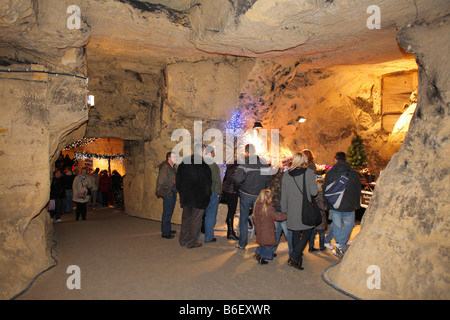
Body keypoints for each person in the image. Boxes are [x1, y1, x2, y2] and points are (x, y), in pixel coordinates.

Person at [281, 152, 318, 270]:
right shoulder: (309, 173)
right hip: (305, 208)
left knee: (296, 233)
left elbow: (284, 195)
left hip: (291, 208)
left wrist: (284, 209)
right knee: (307, 231)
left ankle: (297, 260)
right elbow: (314, 192)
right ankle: (294, 256)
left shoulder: (286, 175)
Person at [233, 144, 271, 250]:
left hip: (246, 195)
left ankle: (242, 243)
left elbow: (237, 179)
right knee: (260, 219)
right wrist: (263, 188)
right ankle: (261, 244)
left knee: (244, 219)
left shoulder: (245, 164)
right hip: (259, 196)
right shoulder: (264, 164)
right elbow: (268, 178)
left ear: (246, 152)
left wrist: (239, 189)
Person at [324, 151, 361, 258]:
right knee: (349, 225)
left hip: (335, 204)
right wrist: (357, 203)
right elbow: (358, 189)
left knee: (337, 225)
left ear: (335, 159)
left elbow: (325, 189)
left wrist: (327, 203)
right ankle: (340, 246)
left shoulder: (330, 173)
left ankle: (338, 244)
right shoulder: (353, 173)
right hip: (349, 204)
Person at [176, 144, 212, 249]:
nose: (205, 153)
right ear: (201, 151)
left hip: (186, 197)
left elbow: (178, 180)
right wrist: (207, 197)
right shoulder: (204, 166)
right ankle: (192, 242)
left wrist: (181, 192)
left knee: (186, 219)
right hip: (199, 198)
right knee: (196, 221)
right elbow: (207, 185)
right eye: (204, 151)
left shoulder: (184, 162)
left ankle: (183, 240)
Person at [253, 189, 287, 265]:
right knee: (268, 244)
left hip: (260, 229)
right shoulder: (269, 208)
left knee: (262, 243)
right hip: (267, 230)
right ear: (268, 198)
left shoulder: (257, 205)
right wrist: (286, 214)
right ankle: (262, 257)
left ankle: (259, 253)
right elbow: (278, 217)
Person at [268, 169, 292, 256]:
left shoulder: (272, 183)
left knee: (276, 232)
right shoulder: (288, 183)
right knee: (288, 233)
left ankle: (272, 250)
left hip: (275, 210)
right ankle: (292, 252)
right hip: (284, 210)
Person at [202, 146, 222, 242]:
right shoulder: (213, 165)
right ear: (210, 153)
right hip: (212, 193)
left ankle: (195, 236)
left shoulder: (200, 163)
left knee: (198, 216)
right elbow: (217, 181)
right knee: (210, 215)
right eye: (213, 152)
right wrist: (218, 193)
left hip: (201, 193)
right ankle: (209, 237)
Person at [156, 151, 178, 239]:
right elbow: (161, 182)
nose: (176, 159)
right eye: (174, 157)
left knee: (169, 212)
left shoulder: (172, 167)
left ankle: (167, 229)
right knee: (167, 213)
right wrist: (168, 191)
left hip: (172, 191)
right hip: (169, 192)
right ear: (169, 158)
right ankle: (165, 232)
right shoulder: (165, 168)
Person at [221, 160, 239, 240]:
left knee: (230, 212)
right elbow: (236, 181)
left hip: (227, 190)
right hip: (232, 191)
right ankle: (230, 232)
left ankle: (230, 231)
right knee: (231, 212)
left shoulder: (230, 166)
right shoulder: (236, 167)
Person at [309, 178, 328, 252]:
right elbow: (322, 206)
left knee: (312, 232)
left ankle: (311, 246)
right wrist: (327, 207)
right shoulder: (321, 195)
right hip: (320, 215)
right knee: (321, 232)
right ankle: (321, 246)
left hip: (313, 215)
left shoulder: (312, 194)